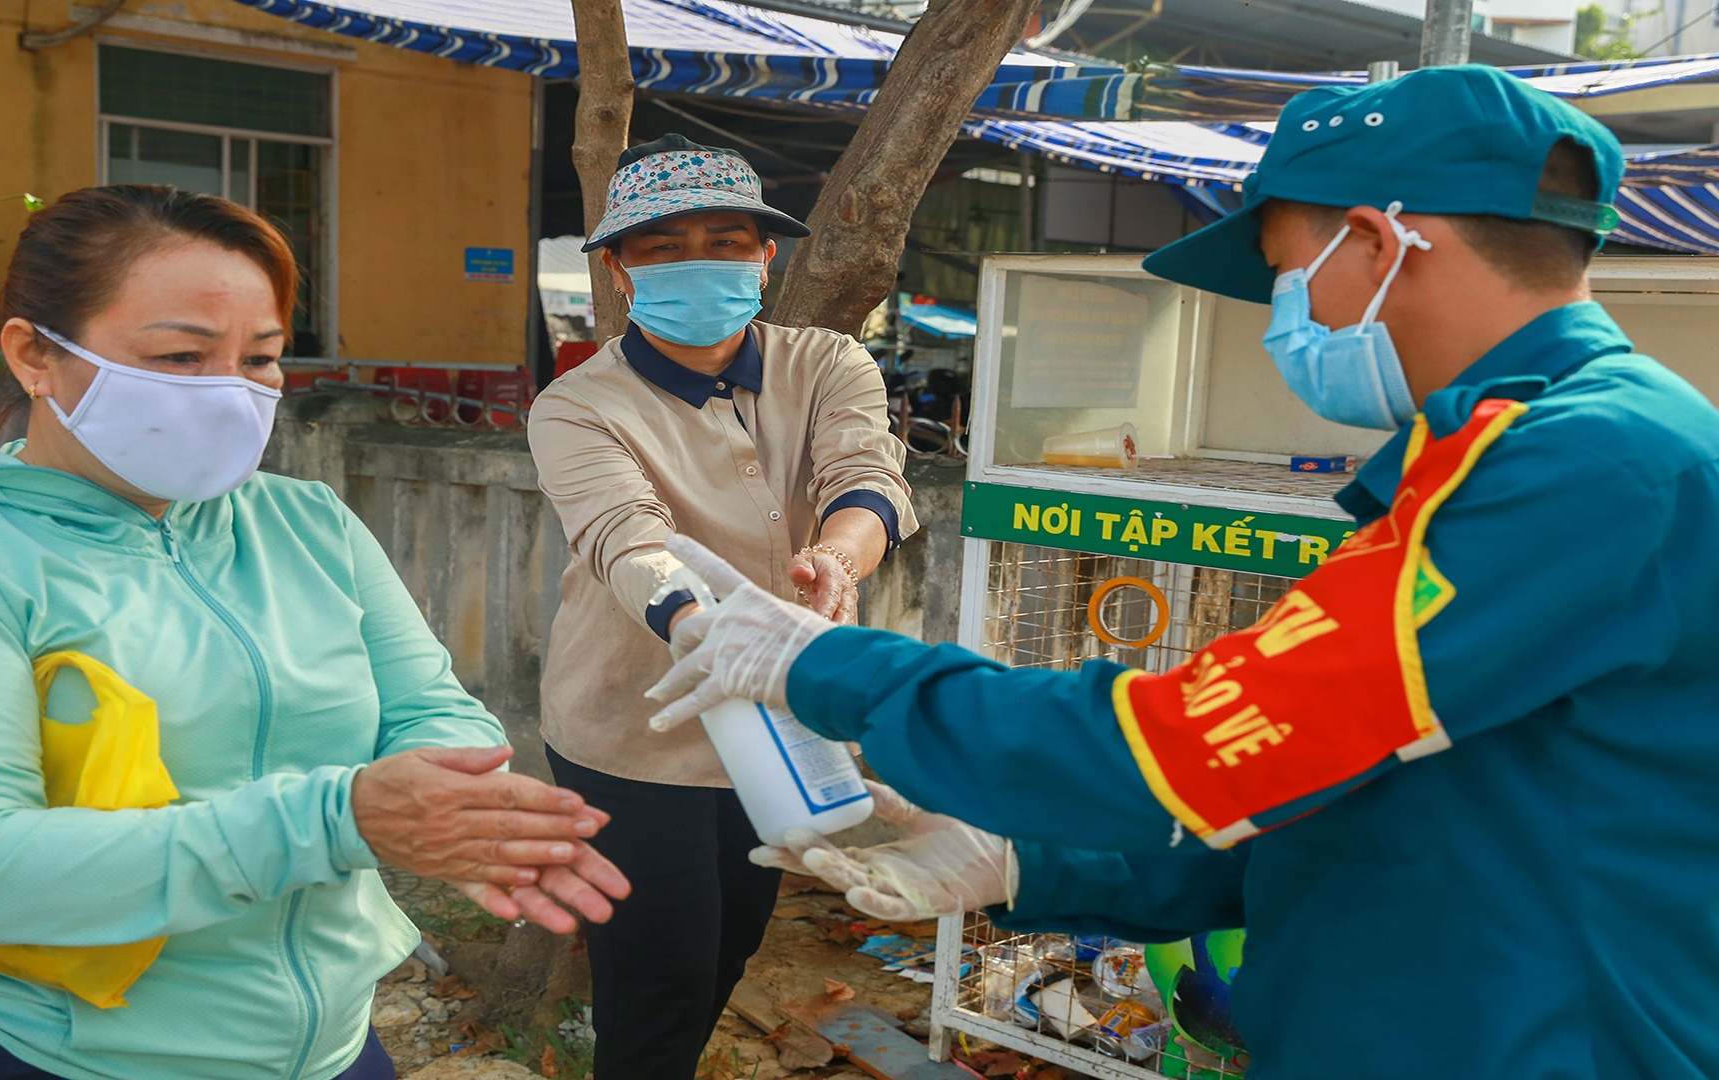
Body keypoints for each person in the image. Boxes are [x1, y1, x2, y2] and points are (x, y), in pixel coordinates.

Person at [646, 66, 1719, 1078]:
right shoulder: (1493, 451)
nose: (1283, 320)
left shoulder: (1589, 463)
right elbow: (1348, 795)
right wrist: (1027, 863)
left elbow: (1199, 741)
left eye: (1285, 276)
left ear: (1375, 241)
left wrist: (826, 665)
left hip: (1542, 1038)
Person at [0, 185, 629, 1080]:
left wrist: (454, 806)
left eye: (262, 359)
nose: (231, 393)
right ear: (34, 355)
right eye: (179, 356)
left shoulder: (307, 523)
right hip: (46, 1047)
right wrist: (336, 819)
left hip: (327, 1043)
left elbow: (431, 708)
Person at [527, 134, 917, 1079]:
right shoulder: (577, 405)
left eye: (726, 239)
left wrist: (836, 557)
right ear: (617, 270)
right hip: (634, 731)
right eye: (662, 247)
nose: (698, 261)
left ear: (765, 256)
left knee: (731, 949)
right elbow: (626, 535)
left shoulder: (825, 362)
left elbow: (868, 479)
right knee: (657, 974)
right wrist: (697, 625)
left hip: (782, 719)